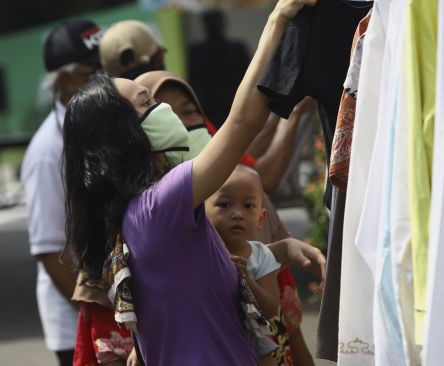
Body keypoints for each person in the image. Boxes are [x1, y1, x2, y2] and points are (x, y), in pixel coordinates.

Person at [62, 0, 319, 364]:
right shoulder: (160, 206)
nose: (162, 108)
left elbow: (205, 278)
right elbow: (243, 122)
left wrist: (284, 249)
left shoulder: (136, 214)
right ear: (126, 134)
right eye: (147, 101)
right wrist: (277, 19)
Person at [136, 70, 316, 365]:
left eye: (189, 111)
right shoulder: (145, 223)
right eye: (165, 113)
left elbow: (283, 319)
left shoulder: (233, 179)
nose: (237, 213)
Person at [20, 19, 103, 366]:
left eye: (105, 69)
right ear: (65, 78)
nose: (104, 80)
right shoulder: (46, 152)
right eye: (92, 73)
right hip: (79, 324)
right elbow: (50, 251)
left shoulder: (99, 123)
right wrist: (99, 314)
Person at [205, 165, 282, 365]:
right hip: (207, 338)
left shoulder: (261, 257)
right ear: (203, 210)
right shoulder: (198, 254)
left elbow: (272, 309)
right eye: (224, 204)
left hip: (252, 341)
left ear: (261, 218)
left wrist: (248, 279)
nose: (238, 214)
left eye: (248, 206)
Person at [188, 9, 251, 128]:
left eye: (215, 22)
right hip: (208, 107)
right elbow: (193, 80)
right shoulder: (196, 50)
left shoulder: (237, 48)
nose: (213, 26)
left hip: (233, 104)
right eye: (209, 23)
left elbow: (249, 78)